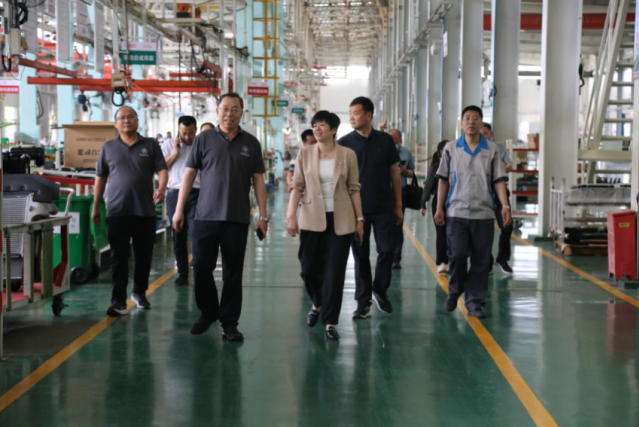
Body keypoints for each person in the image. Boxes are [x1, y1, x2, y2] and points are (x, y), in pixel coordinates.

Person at [172, 93, 268, 341]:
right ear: (217, 112)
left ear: (241, 113)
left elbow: (258, 180)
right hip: (205, 217)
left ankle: (230, 323)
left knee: (232, 274)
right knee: (201, 268)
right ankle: (208, 313)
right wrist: (179, 209)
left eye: (235, 109)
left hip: (237, 218)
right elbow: (189, 175)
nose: (229, 114)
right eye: (225, 109)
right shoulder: (203, 139)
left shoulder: (251, 143)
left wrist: (263, 216)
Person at [286, 111, 364, 340]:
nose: (317, 129)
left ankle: (330, 322)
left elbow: (354, 188)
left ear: (333, 130)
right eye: (315, 125)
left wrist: (360, 220)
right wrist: (291, 214)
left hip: (341, 219)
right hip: (311, 218)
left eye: (322, 125)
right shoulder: (305, 153)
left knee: (334, 272)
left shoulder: (348, 154)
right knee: (308, 268)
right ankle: (318, 302)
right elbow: (297, 186)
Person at [434, 106, 511, 319]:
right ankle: (455, 290)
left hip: (483, 214)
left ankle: (475, 302)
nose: (471, 122)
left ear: (481, 123)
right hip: (456, 212)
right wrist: (439, 207)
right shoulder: (451, 148)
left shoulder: (492, 149)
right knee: (458, 255)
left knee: (481, 260)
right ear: (461, 124)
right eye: (467, 118)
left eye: (475, 118)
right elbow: (443, 180)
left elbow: (499, 180)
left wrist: (505, 206)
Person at [93, 106, 168, 317]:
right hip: (117, 211)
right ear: (116, 123)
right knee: (118, 257)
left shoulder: (150, 145)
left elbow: (162, 169)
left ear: (137, 121)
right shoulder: (108, 147)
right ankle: (118, 301)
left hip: (144, 210)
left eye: (130, 117)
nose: (126, 120)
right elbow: (101, 178)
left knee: (144, 255)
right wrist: (96, 206)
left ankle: (139, 293)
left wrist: (162, 188)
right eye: (122, 117)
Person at [338, 96, 403, 318]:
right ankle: (363, 301)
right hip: (356, 210)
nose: (351, 118)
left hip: (384, 207)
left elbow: (394, 173)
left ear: (369, 115)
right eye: (350, 114)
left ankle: (380, 290)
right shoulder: (344, 143)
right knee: (360, 256)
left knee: (387, 250)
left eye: (356, 113)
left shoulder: (385, 140)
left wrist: (398, 204)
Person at [162, 115, 200, 287]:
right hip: (174, 194)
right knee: (178, 235)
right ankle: (183, 272)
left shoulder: (200, 144)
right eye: (184, 133)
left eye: (190, 133)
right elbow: (161, 167)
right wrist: (176, 152)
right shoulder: (168, 144)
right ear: (178, 130)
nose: (187, 137)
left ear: (196, 130)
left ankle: (198, 270)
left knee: (197, 232)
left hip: (197, 194)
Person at [480, 122, 514, 275]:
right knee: (484, 229)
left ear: (491, 134)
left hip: (500, 191)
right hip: (482, 191)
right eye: (480, 134)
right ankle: (487, 261)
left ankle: (502, 259)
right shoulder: (475, 148)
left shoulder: (499, 147)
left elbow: (509, 166)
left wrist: (497, 170)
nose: (483, 137)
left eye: (485, 133)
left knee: (507, 226)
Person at [420, 140, 449, 275]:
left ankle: (452, 261)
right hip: (439, 202)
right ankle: (442, 262)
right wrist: (423, 203)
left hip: (455, 202)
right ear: (441, 152)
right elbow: (428, 185)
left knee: (454, 233)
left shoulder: (458, 164)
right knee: (442, 233)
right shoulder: (436, 166)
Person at [388, 128, 415, 269]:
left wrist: (405, 171)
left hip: (400, 191)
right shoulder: (383, 150)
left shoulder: (406, 152)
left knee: (398, 223)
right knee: (386, 225)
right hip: (384, 191)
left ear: (400, 140)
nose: (393, 143)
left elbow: (412, 172)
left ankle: (396, 258)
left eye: (395, 140)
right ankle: (386, 255)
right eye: (390, 140)